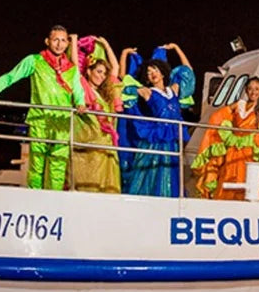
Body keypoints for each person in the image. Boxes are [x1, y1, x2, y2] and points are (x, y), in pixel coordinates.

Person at [0, 25, 86, 190]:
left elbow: (78, 89)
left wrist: (81, 103)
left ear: (67, 44)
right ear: (47, 41)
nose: (59, 44)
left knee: (58, 169)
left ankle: (54, 206)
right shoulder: (35, 61)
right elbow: (10, 77)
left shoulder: (71, 69)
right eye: (55, 40)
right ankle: (34, 202)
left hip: (62, 124)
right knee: (36, 168)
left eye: (63, 40)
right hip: (40, 121)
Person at [123, 44, 194, 197]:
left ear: (162, 72)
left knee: (172, 172)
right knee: (155, 175)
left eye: (154, 69)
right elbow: (123, 83)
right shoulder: (147, 92)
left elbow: (188, 72)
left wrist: (176, 48)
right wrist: (124, 55)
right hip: (157, 139)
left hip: (173, 137)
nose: (152, 73)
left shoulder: (173, 89)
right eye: (148, 72)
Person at [71, 36, 122, 193]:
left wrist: (106, 44)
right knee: (88, 183)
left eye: (104, 73)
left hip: (105, 145)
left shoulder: (104, 94)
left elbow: (116, 69)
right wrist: (74, 41)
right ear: (88, 71)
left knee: (106, 183)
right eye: (98, 72)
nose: (102, 76)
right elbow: (74, 66)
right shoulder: (83, 86)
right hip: (89, 144)